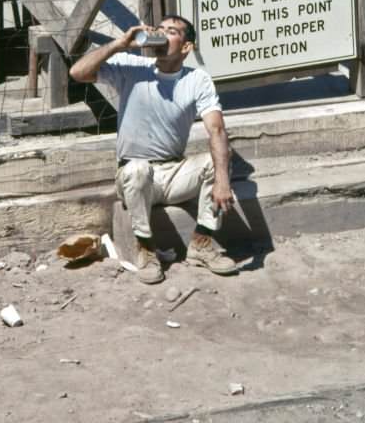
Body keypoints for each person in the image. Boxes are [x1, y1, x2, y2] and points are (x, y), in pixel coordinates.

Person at [68, 15, 238, 284]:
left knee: (218, 160)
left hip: (173, 173)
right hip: (134, 174)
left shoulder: (198, 80)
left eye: (171, 32)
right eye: (159, 29)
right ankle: (145, 250)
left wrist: (223, 181)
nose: (160, 34)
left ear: (185, 47)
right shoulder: (133, 66)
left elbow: (216, 129)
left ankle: (201, 243)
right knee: (138, 169)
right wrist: (118, 44)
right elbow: (78, 73)